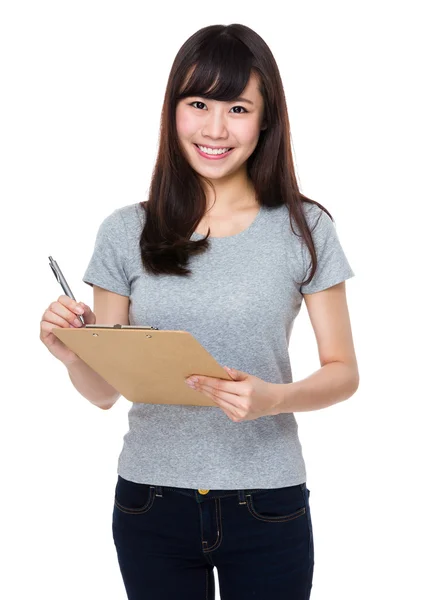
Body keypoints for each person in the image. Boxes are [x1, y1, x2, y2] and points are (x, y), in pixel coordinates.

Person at [40, 23, 359, 600]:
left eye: (238, 107)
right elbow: (105, 392)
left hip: (269, 503)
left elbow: (343, 372)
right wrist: (72, 354)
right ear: (174, 112)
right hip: (150, 502)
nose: (215, 128)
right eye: (198, 104)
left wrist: (274, 398)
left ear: (266, 119)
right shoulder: (124, 232)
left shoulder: (305, 228)